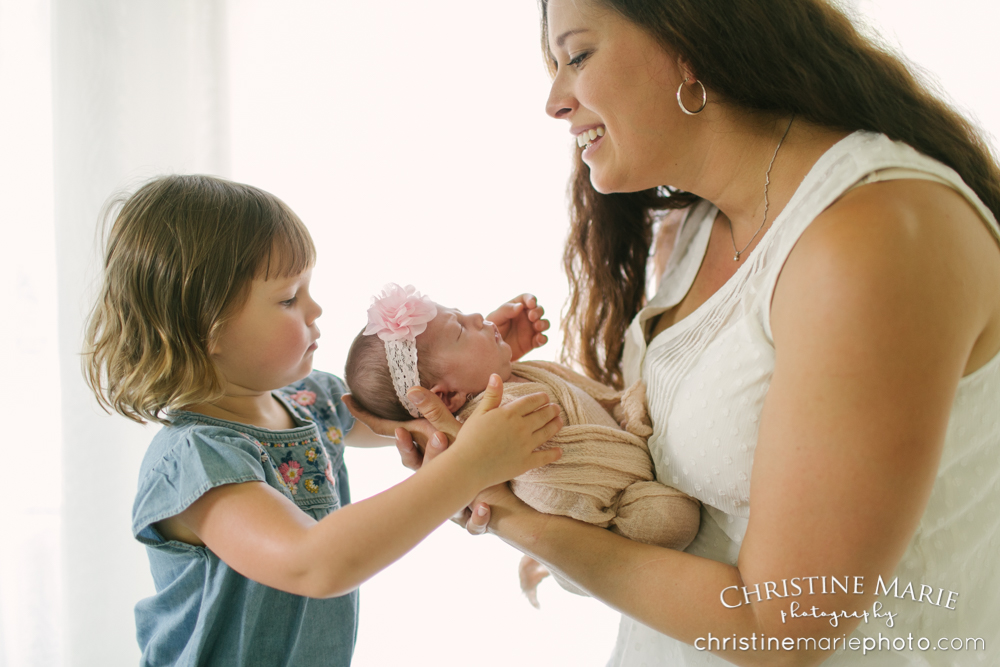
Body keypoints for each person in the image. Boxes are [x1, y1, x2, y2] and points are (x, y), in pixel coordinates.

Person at [350, 0, 1000, 664]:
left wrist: (507, 511)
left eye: (576, 56)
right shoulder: (703, 225)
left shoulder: (872, 237)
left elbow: (781, 629)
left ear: (690, 37)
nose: (554, 100)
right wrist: (500, 407)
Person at [81, 174, 563, 666]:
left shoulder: (314, 401)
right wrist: (467, 469)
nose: (315, 309)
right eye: (289, 298)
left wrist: (489, 361)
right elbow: (314, 564)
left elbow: (422, 413)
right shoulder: (197, 460)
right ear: (208, 328)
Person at [344, 283, 700, 595]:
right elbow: (548, 480)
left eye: (461, 312)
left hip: (604, 508)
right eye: (460, 331)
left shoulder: (508, 382)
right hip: (611, 516)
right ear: (447, 398)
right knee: (670, 518)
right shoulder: (491, 425)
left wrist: (499, 358)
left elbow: (578, 401)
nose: (479, 316)